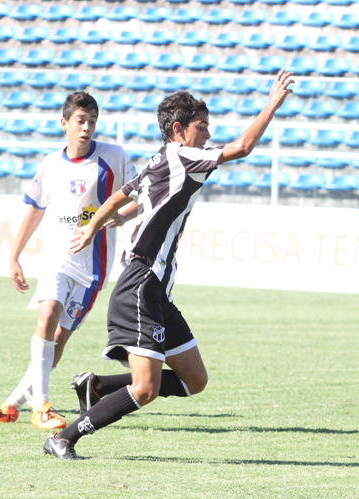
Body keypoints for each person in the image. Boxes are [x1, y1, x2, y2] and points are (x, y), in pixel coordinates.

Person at [43, 70, 295, 459]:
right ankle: (64, 437)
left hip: (156, 288)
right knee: (146, 389)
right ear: (178, 130)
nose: (208, 135)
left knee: (195, 380)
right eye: (202, 127)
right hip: (140, 284)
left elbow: (121, 199)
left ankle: (95, 386)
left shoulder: (161, 158)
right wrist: (272, 103)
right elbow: (243, 146)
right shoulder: (181, 154)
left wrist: (107, 223)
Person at [0, 91, 138, 429]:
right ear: (64, 123)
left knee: (58, 340)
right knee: (47, 312)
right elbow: (34, 210)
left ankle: (13, 404)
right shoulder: (51, 165)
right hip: (56, 257)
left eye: (92, 122)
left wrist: (123, 217)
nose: (86, 128)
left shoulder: (114, 157)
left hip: (92, 270)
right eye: (80, 121)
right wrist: (14, 255)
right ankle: (42, 407)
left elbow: (141, 196)